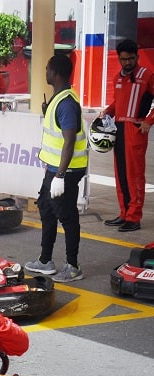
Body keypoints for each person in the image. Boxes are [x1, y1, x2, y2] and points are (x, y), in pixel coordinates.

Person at [25, 54, 88, 283]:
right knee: (46, 206)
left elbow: (69, 141)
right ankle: (45, 260)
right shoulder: (59, 98)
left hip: (66, 171)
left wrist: (60, 176)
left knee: (67, 215)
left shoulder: (67, 104)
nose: (45, 73)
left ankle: (72, 266)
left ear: (55, 73)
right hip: (54, 168)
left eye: (47, 69)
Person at [99, 40, 154, 232]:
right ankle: (124, 214)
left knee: (135, 175)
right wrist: (106, 112)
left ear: (137, 57)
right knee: (121, 173)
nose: (127, 62)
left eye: (131, 58)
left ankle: (134, 217)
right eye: (123, 59)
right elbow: (118, 103)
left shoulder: (147, 75)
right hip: (119, 129)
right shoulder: (118, 78)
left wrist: (149, 120)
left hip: (135, 129)